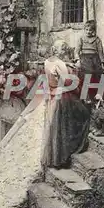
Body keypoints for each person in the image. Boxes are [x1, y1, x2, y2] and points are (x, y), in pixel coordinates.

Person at [41, 39, 90, 170]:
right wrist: (76, 74)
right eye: (63, 48)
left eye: (65, 48)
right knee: (84, 114)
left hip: (54, 96)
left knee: (57, 130)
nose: (65, 51)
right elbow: (70, 84)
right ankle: (66, 156)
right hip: (64, 98)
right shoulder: (61, 64)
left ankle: (56, 158)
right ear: (56, 51)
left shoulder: (48, 62)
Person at [75, 20, 104, 103]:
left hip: (95, 59)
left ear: (94, 31)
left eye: (91, 30)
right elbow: (77, 51)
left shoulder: (97, 39)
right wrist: (78, 60)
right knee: (87, 75)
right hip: (85, 59)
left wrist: (102, 63)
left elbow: (100, 52)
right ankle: (85, 97)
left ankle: (98, 96)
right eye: (87, 30)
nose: (88, 32)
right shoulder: (81, 39)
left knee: (99, 74)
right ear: (84, 30)